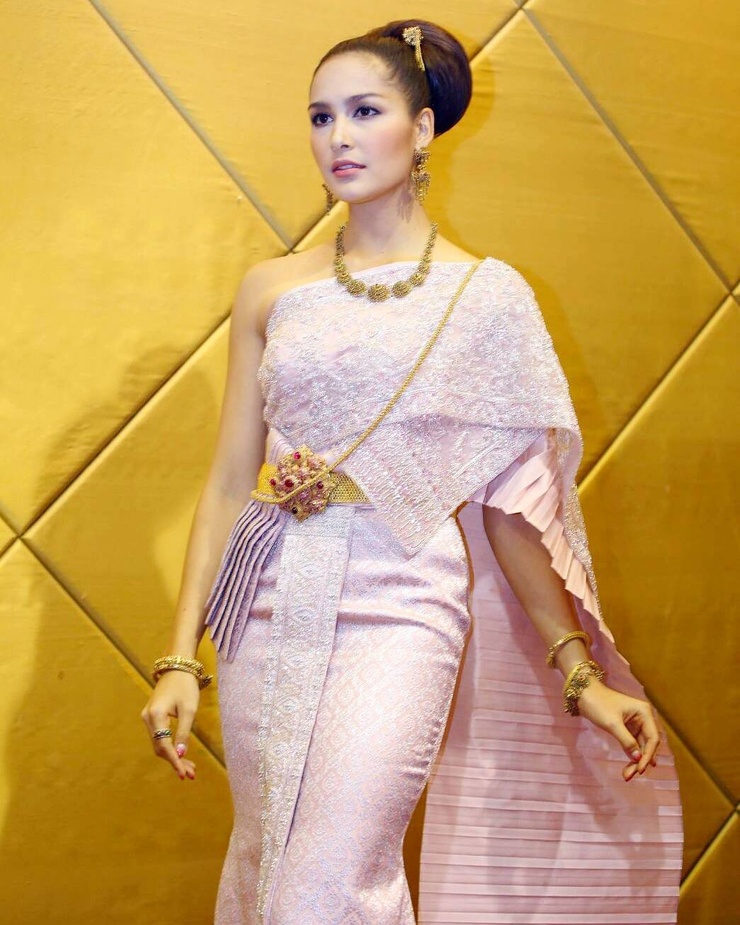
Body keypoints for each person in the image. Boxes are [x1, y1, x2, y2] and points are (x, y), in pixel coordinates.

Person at [141, 19, 683, 925]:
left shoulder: (489, 297)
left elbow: (512, 506)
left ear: (423, 128)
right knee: (269, 859)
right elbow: (231, 479)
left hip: (403, 600)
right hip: (264, 600)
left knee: (329, 877)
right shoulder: (270, 288)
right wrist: (177, 656)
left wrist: (578, 669)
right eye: (321, 116)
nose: (338, 137)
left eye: (365, 111)